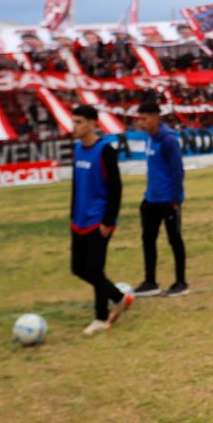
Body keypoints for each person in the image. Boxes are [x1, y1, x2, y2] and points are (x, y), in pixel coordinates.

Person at [70, 105, 134, 336]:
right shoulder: (77, 149)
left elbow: (116, 188)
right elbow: (76, 185)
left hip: (98, 220)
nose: (74, 126)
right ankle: (118, 297)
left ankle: (100, 317)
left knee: (95, 269)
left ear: (92, 124)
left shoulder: (105, 150)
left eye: (79, 122)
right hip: (79, 219)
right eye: (74, 121)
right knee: (78, 268)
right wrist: (72, 213)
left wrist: (108, 220)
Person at [132, 102, 188, 297]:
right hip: (151, 200)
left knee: (174, 239)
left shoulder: (169, 140)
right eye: (139, 119)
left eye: (144, 118)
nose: (141, 123)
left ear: (156, 117)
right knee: (148, 240)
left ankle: (181, 282)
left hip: (168, 200)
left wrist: (175, 200)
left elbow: (177, 172)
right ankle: (150, 282)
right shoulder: (149, 138)